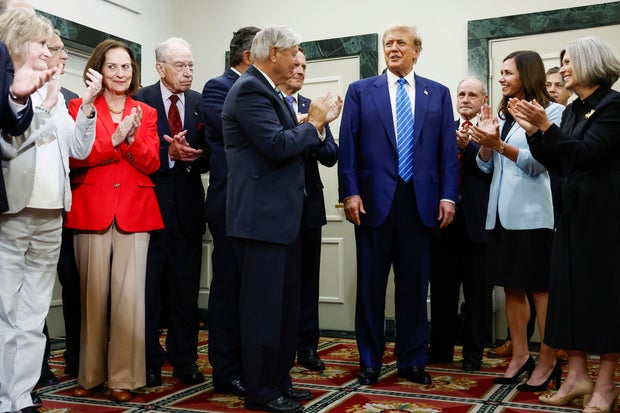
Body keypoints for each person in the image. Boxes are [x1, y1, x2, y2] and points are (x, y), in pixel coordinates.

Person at [222, 25, 340, 413]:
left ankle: (279, 380)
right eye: (295, 53)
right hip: (260, 222)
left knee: (285, 310)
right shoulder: (251, 89)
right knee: (262, 312)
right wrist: (316, 122)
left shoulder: (269, 90)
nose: (297, 61)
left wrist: (312, 126)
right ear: (274, 53)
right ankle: (261, 390)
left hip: (282, 221)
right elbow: (276, 146)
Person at [338, 24, 458, 386]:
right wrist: (350, 192)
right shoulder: (361, 91)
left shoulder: (437, 93)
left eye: (400, 43)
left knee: (414, 287)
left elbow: (446, 152)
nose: (392, 48)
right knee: (371, 288)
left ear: (416, 50)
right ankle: (371, 362)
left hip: (421, 204)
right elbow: (349, 147)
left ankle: (412, 360)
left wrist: (448, 195)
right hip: (373, 203)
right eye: (388, 44)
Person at [508, 36, 620, 413]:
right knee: (568, 297)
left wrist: (546, 128)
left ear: (589, 62)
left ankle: (604, 387)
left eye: (568, 61)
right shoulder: (571, 110)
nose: (562, 68)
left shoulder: (614, 106)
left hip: (604, 221)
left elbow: (588, 155)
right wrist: (534, 132)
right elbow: (559, 163)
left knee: (603, 303)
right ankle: (576, 377)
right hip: (570, 216)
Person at [0, 9, 99, 413]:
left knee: (34, 312)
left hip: (53, 212)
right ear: (21, 44)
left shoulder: (56, 91)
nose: (53, 53)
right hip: (12, 211)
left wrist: (86, 107)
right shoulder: (7, 87)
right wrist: (41, 107)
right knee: (5, 311)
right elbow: (9, 147)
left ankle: (21, 396)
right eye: (45, 45)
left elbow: (76, 150)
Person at [66, 39, 163, 403]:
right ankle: (89, 375)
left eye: (126, 67)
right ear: (98, 70)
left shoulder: (146, 111)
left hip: (135, 212)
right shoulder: (80, 105)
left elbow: (152, 162)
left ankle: (124, 377)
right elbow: (78, 158)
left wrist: (133, 137)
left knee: (129, 300)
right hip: (91, 208)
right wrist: (114, 142)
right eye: (112, 67)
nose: (120, 74)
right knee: (92, 298)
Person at [469, 50, 563, 392]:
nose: (502, 79)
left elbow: (540, 163)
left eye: (508, 73)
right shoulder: (504, 114)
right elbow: (486, 167)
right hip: (500, 214)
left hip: (533, 215)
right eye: (501, 73)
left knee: (539, 289)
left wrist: (498, 145)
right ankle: (520, 355)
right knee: (511, 287)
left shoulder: (552, 112)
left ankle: (549, 359)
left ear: (526, 73)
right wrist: (484, 144)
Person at [134, 37, 208, 387]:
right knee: (148, 292)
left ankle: (185, 360)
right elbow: (132, 157)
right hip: (148, 211)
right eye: (180, 66)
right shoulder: (139, 101)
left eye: (191, 65)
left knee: (185, 292)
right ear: (160, 68)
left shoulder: (199, 103)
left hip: (189, 213)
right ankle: (149, 359)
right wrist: (168, 156)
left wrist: (193, 157)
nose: (188, 72)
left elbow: (212, 154)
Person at [202, 25, 259, 397]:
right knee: (226, 289)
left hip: (256, 207)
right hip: (228, 204)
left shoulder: (266, 91)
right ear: (249, 56)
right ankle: (224, 370)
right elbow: (253, 134)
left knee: (251, 292)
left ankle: (250, 366)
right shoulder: (217, 87)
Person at [280, 47, 338, 372]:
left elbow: (331, 153)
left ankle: (309, 348)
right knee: (283, 283)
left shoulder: (312, 106)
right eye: (296, 65)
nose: (301, 70)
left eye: (305, 66)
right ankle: (283, 349)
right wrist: (303, 130)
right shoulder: (272, 105)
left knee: (308, 282)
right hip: (280, 209)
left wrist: (314, 127)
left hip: (310, 206)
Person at [428, 76, 491, 372]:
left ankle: (473, 355)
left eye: (472, 95)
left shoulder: (491, 129)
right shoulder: (445, 128)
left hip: (478, 222)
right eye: (461, 94)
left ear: (483, 100)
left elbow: (489, 171)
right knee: (442, 290)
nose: (465, 99)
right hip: (444, 222)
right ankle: (440, 350)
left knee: (477, 294)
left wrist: (467, 148)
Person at [38, 29, 81, 387]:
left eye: (66, 50)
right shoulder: (19, 92)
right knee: (28, 298)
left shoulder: (71, 97)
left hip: (63, 208)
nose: (64, 56)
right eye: (57, 49)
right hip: (25, 207)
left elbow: (77, 153)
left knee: (70, 284)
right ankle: (36, 369)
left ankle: (72, 357)